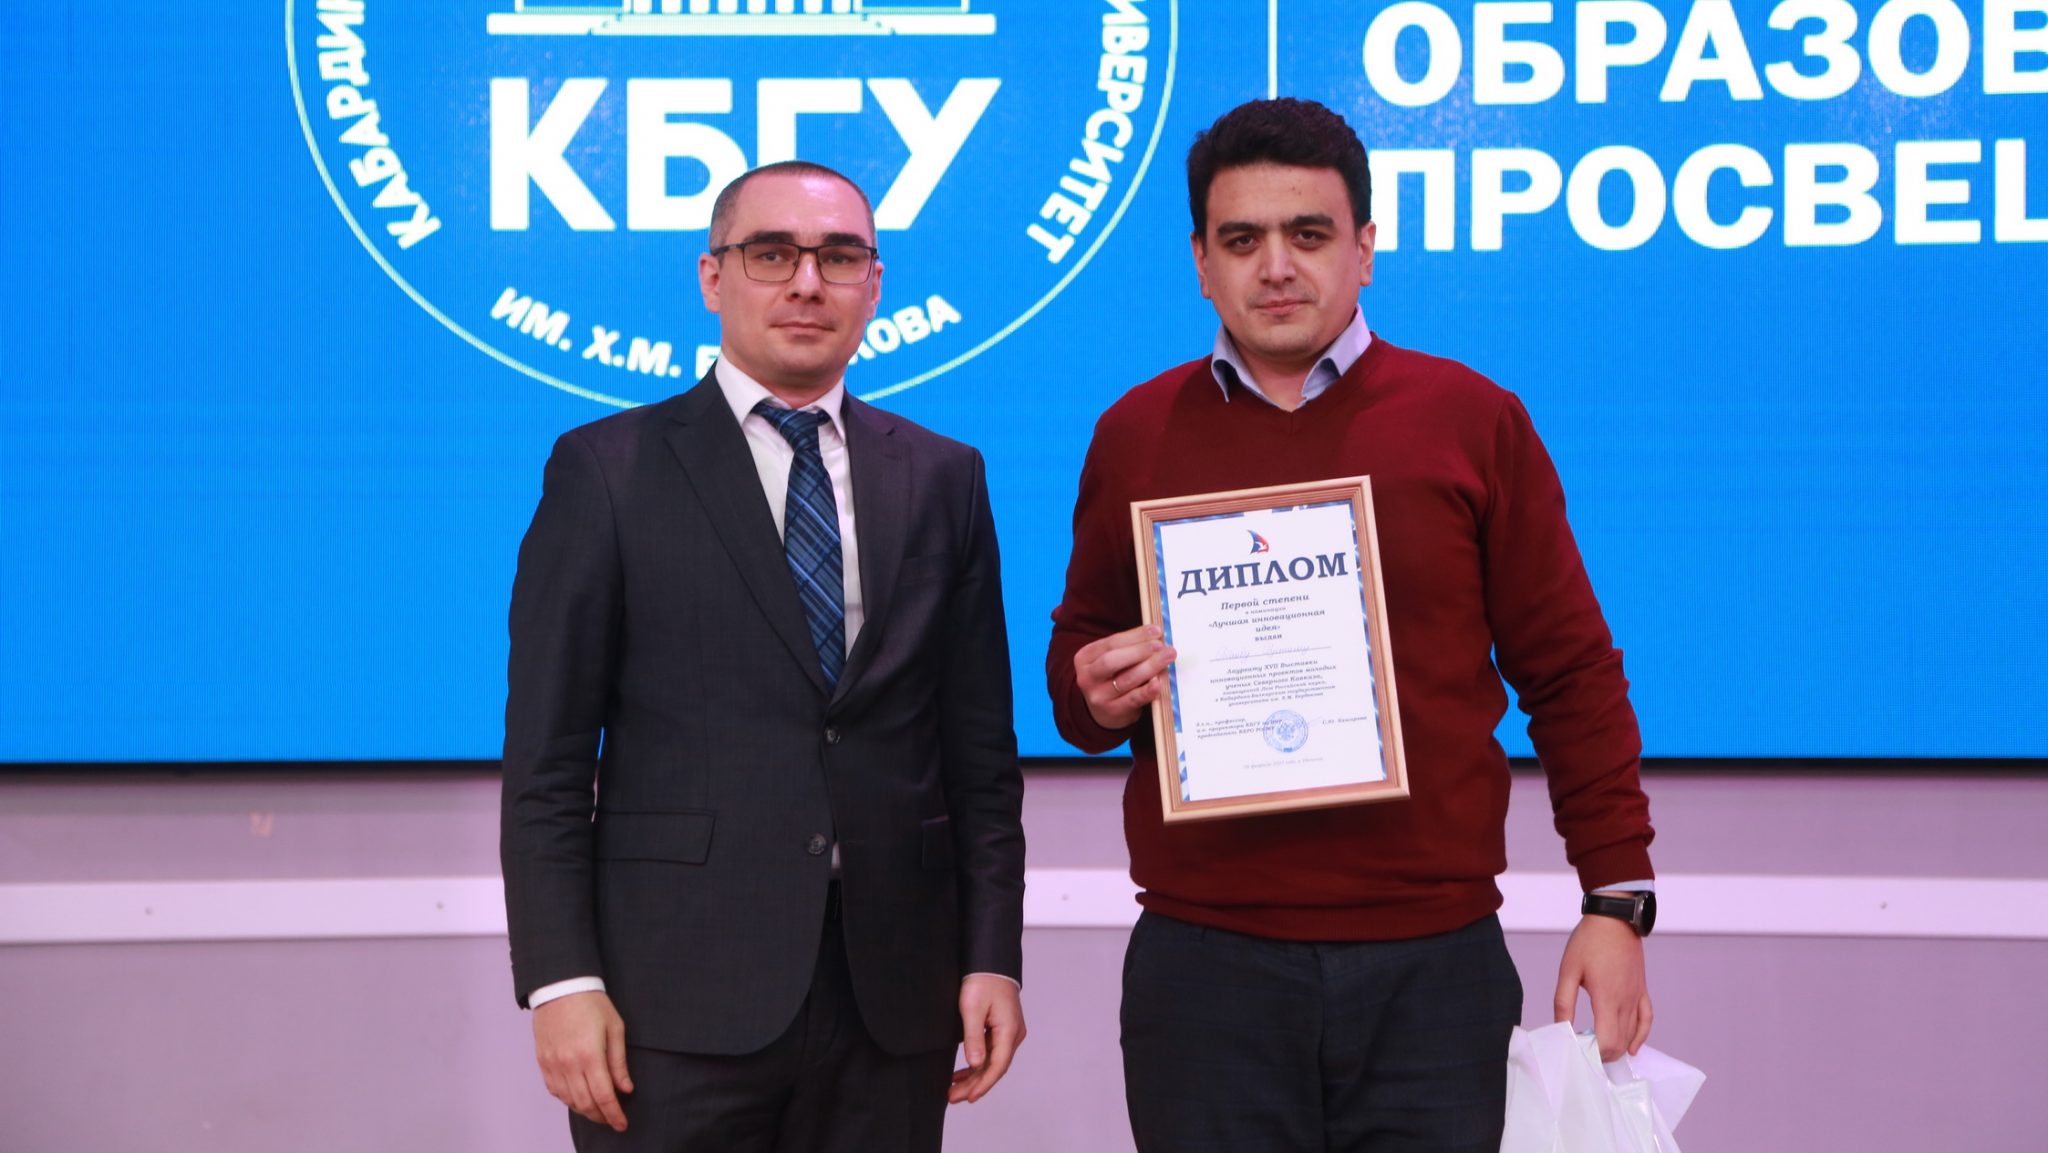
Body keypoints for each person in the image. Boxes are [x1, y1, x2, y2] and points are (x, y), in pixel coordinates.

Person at [1046, 99, 1656, 1153]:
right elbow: (1078, 670)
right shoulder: (1135, 432)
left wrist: (1615, 900)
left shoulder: (1471, 419)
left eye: (1309, 234)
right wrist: (1093, 694)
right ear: (1200, 263)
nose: (1276, 266)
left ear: (1364, 249)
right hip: (1206, 966)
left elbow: (1570, 673)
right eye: (1242, 239)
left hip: (1432, 963)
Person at [502, 160, 1026, 1153]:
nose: (807, 283)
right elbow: (548, 763)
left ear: (875, 283)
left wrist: (991, 954)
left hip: (892, 998)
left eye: (839, 257)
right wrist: (562, 979)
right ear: (712, 276)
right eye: (772, 254)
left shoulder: (945, 475)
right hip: (671, 1004)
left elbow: (979, 760)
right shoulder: (604, 470)